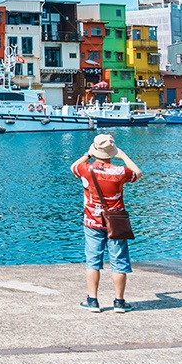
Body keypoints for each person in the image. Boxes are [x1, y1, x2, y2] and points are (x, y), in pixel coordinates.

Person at [70, 134, 141, 313]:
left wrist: (88, 154)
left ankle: (92, 301)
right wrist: (123, 155)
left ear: (96, 151)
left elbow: (73, 167)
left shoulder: (85, 169)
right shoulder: (119, 172)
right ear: (112, 151)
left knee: (93, 261)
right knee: (119, 261)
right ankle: (119, 302)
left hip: (92, 221)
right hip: (115, 223)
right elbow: (137, 173)